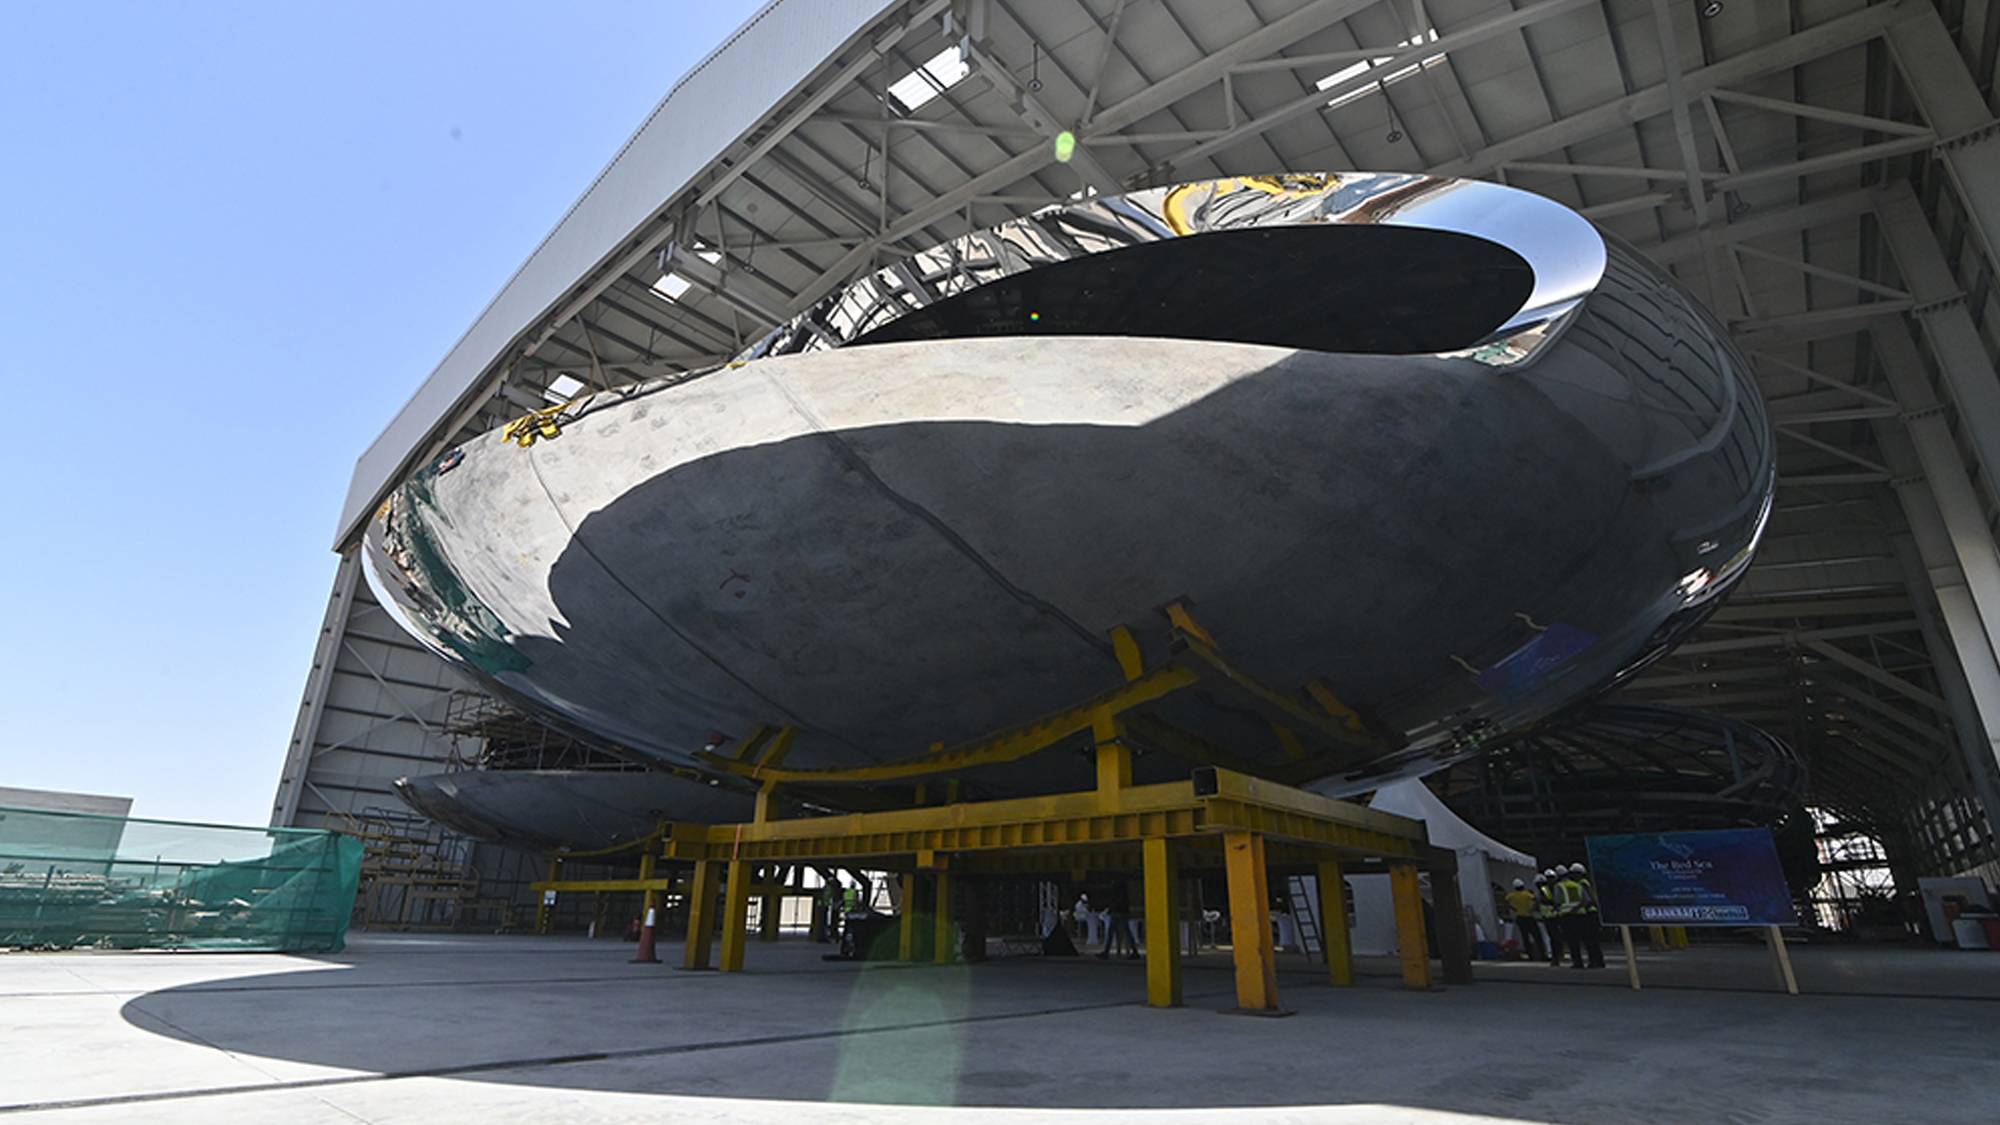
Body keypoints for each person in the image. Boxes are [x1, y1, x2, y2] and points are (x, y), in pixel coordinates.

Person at [1567, 862, 1606, 969]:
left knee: (1590, 940)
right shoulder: (1584, 883)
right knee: (1592, 940)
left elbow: (1587, 900)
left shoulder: (1582, 884)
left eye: (1574, 873)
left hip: (1589, 914)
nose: (1573, 876)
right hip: (1590, 913)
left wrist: (1575, 908)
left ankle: (1594, 961)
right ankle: (1598, 961)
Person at [1504, 878, 1546, 962]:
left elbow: (1505, 901)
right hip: (1529, 917)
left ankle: (1530, 956)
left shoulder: (1512, 895)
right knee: (1537, 937)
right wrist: (1532, 908)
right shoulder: (1527, 894)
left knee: (1525, 938)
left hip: (1520, 918)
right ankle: (1543, 955)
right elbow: (1536, 900)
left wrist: (1513, 908)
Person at [1098, 880, 1138, 960]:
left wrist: (1110, 909)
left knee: (1111, 932)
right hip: (1122, 912)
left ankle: (1106, 952)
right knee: (1127, 932)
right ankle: (1134, 951)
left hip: (1116, 912)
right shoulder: (1124, 893)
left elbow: (1113, 902)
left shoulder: (1115, 893)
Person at [1536, 870, 1564, 966]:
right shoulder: (1549, 888)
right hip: (1552, 916)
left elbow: (1544, 901)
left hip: (1553, 916)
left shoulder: (1549, 889)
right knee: (1555, 937)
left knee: (1555, 937)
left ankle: (1557, 957)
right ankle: (1557, 957)